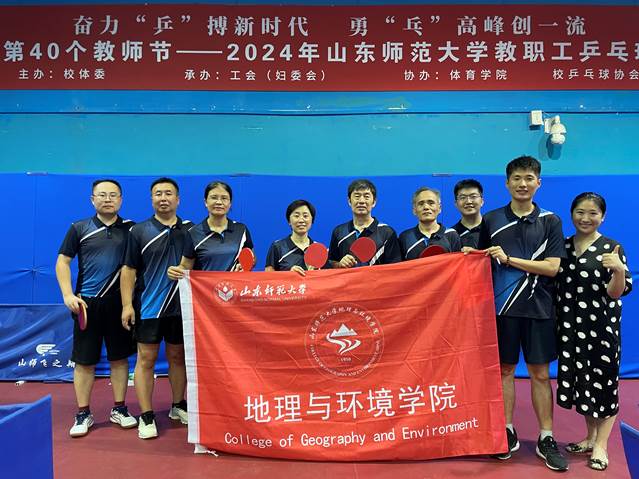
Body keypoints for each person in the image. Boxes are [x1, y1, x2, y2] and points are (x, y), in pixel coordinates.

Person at [477, 156, 568, 471]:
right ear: (507, 183)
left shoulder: (550, 221)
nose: (522, 183)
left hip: (539, 308)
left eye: (529, 178)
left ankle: (546, 436)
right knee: (504, 370)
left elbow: (552, 268)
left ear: (538, 183)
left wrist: (510, 260)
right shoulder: (491, 219)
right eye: (516, 178)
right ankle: (507, 431)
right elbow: (480, 262)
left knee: (540, 374)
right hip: (502, 310)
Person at [555, 192, 632, 471]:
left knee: (605, 386)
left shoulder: (612, 248)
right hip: (570, 330)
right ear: (571, 214)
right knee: (584, 385)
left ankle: (601, 444)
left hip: (601, 331)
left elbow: (615, 293)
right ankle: (589, 437)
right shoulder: (562, 246)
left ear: (603, 216)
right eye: (580, 212)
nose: (585, 218)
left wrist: (619, 270)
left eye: (593, 213)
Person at [55, 179, 137, 437]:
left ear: (121, 199)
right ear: (93, 199)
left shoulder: (132, 229)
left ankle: (119, 408)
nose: (107, 199)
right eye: (102, 195)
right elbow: (62, 262)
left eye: (113, 195)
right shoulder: (79, 228)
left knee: (119, 358)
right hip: (87, 305)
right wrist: (68, 294)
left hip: (120, 304)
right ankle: (83, 413)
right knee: (84, 361)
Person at [121, 177, 192, 440]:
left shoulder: (190, 230)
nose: (163, 198)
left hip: (180, 308)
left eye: (168, 193)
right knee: (146, 359)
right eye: (158, 193)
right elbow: (128, 270)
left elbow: (199, 265)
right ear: (152, 199)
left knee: (177, 357)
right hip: (149, 306)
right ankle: (147, 415)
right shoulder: (138, 231)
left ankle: (178, 405)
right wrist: (127, 305)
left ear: (178, 199)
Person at [167, 181, 254, 281]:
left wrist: (244, 266)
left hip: (235, 288)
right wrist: (175, 271)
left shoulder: (241, 230)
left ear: (230, 203)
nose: (219, 202)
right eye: (214, 197)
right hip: (205, 290)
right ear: (206, 202)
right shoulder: (193, 233)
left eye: (224, 198)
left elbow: (252, 258)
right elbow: (185, 267)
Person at [328, 179, 401, 268]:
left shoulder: (387, 233)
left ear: (374, 202)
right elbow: (331, 264)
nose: (361, 201)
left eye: (366, 196)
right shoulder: (339, 232)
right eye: (357, 196)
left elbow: (395, 268)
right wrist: (340, 264)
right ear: (349, 201)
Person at [399, 187, 461, 260]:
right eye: (421, 204)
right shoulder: (405, 237)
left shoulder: (451, 235)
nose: (426, 207)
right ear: (414, 210)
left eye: (431, 203)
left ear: (439, 208)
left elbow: (458, 263)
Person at [265, 199, 325, 275]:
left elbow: (328, 278)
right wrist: (289, 274)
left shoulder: (318, 250)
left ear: (312, 220)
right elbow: (268, 276)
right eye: (296, 216)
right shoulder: (277, 247)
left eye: (305, 216)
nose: (301, 220)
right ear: (289, 221)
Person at [451, 179, 484, 251]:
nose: (468, 201)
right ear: (456, 204)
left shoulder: (492, 230)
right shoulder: (451, 234)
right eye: (463, 197)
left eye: (473, 196)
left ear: (482, 201)